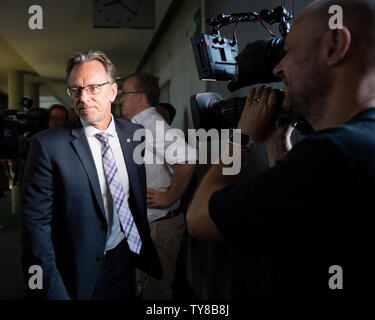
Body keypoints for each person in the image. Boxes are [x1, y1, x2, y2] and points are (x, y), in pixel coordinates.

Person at [187, 0, 375, 297]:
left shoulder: (331, 154)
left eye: (287, 51)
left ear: (335, 44)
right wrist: (277, 142)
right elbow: (296, 208)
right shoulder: (355, 145)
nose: (277, 67)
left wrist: (243, 138)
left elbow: (199, 218)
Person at [21, 50, 161, 300]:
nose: (83, 98)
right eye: (75, 90)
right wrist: (54, 292)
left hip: (123, 260)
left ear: (113, 91)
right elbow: (36, 227)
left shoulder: (134, 134)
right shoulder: (47, 145)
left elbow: (133, 198)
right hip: (76, 273)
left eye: (94, 87)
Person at [120, 72, 196, 299]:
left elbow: (187, 159)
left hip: (160, 226)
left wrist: (169, 197)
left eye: (125, 94)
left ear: (140, 96)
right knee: (145, 289)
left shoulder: (152, 124)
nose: (120, 99)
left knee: (156, 294)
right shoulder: (138, 126)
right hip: (149, 225)